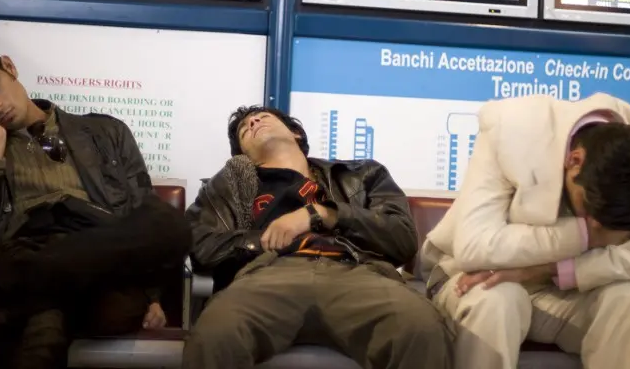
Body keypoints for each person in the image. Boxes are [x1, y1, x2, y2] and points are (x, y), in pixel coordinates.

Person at [0, 37, 192, 368]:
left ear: (9, 67)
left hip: (101, 268)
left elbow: (141, 214)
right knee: (43, 318)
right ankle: (4, 291)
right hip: (27, 255)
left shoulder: (106, 132)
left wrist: (154, 297)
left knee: (170, 225)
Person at [421, 92, 630, 369]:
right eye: (590, 211)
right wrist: (585, 235)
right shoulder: (510, 127)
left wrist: (550, 269)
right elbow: (474, 248)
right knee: (496, 300)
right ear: (574, 160)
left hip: (573, 293)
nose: (597, 225)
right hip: (472, 279)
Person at [183, 105, 453, 369]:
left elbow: (402, 239)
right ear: (243, 154)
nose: (253, 122)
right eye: (244, 129)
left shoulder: (363, 175)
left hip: (357, 273)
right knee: (215, 334)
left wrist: (325, 214)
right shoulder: (228, 186)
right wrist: (268, 238)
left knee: (421, 329)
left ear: (296, 133)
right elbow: (202, 247)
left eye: (262, 117)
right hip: (267, 274)